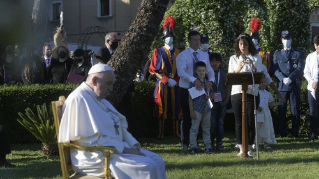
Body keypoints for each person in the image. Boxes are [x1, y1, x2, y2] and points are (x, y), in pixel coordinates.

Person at [59, 63, 166, 179]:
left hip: (110, 150)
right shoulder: (79, 99)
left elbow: (117, 125)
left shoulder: (99, 99)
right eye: (108, 84)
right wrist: (126, 149)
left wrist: (132, 147)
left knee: (158, 161)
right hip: (94, 157)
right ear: (94, 80)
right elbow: (90, 140)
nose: (111, 89)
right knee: (147, 165)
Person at [228, 33, 283, 157]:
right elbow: (230, 76)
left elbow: (259, 76)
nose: (242, 46)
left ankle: (249, 148)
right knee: (239, 121)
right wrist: (238, 68)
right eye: (240, 44)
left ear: (249, 45)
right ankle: (241, 149)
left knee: (250, 120)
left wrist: (252, 66)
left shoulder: (257, 58)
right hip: (237, 92)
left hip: (252, 93)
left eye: (245, 44)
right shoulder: (233, 58)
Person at [176, 30, 215, 152]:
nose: (197, 42)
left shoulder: (204, 54)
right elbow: (181, 72)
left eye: (199, 40)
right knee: (188, 116)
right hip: (187, 88)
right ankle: (185, 143)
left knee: (201, 116)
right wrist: (194, 80)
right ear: (189, 41)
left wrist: (211, 80)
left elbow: (210, 70)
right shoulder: (183, 55)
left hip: (201, 89)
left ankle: (199, 143)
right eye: (194, 40)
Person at [149, 16, 182, 139]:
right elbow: (153, 69)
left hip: (176, 83)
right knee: (162, 106)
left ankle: (176, 132)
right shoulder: (158, 51)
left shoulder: (179, 52)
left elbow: (182, 69)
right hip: (163, 84)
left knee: (177, 106)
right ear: (163, 39)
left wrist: (176, 80)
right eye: (167, 37)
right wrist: (166, 80)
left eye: (171, 37)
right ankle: (161, 133)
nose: (169, 39)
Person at [273, 31, 303, 138]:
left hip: (293, 85)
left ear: (291, 40)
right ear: (281, 40)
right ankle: (282, 132)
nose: (286, 41)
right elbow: (275, 69)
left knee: (294, 110)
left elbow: (299, 68)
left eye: (288, 39)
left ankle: (295, 132)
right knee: (282, 110)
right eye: (284, 39)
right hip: (282, 87)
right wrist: (282, 78)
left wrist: (290, 78)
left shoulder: (297, 53)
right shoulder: (277, 54)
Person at [188, 61, 213, 154]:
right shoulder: (193, 83)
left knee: (206, 128)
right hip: (197, 109)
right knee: (194, 128)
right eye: (199, 70)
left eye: (203, 70)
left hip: (207, 109)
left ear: (206, 71)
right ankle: (193, 146)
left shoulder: (208, 83)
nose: (201, 72)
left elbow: (212, 94)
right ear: (196, 71)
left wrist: (210, 95)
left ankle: (208, 146)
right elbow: (190, 98)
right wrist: (191, 111)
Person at [254, 76, 283, 149]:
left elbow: (269, 103)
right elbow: (252, 102)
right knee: (257, 127)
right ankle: (255, 143)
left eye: (265, 82)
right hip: (258, 113)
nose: (263, 84)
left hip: (266, 114)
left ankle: (266, 143)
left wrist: (278, 103)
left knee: (266, 127)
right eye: (261, 82)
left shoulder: (267, 93)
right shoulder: (255, 92)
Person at [209, 53, 230, 151]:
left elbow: (228, 87)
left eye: (216, 61)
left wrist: (227, 99)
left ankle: (219, 143)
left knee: (220, 123)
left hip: (222, 102)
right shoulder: (207, 74)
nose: (214, 63)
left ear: (220, 62)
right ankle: (211, 142)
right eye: (212, 61)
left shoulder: (223, 74)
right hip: (212, 102)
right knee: (212, 123)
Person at [303, 34, 319, 142]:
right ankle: (313, 133)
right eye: (317, 45)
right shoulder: (310, 57)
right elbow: (306, 72)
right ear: (315, 45)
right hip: (312, 88)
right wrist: (312, 82)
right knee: (313, 112)